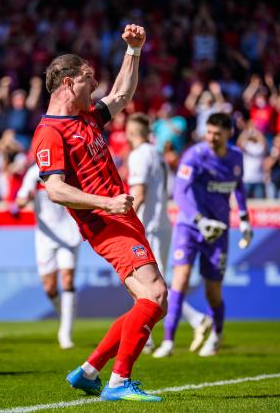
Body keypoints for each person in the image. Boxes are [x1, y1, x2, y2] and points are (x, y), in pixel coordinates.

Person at [32, 25, 167, 402]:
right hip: (105, 221)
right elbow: (55, 189)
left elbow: (122, 94)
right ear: (69, 83)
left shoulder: (86, 117)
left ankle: (90, 371)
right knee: (155, 295)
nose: (95, 87)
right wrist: (106, 203)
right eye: (89, 80)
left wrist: (134, 51)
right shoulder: (50, 133)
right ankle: (119, 382)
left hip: (119, 216)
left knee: (152, 302)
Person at [153, 113, 253, 358]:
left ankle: (216, 336)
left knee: (213, 291)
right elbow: (179, 192)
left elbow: (238, 187)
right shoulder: (195, 156)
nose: (211, 137)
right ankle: (168, 340)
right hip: (190, 226)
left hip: (218, 230)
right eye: (209, 132)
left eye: (217, 133)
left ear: (229, 134)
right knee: (181, 279)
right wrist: (199, 219)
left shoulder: (236, 158)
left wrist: (243, 218)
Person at [125, 113, 211, 355]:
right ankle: (148, 338)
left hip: (148, 225)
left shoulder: (138, 155)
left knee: (153, 284)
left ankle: (196, 319)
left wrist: (125, 220)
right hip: (162, 223)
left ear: (132, 133)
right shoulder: (156, 154)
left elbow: (139, 193)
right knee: (148, 283)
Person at [16, 163, 81, 349]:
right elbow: (20, 200)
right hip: (45, 237)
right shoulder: (32, 173)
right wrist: (25, 199)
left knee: (67, 280)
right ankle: (65, 315)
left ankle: (65, 333)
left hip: (69, 233)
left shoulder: (66, 168)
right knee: (49, 287)